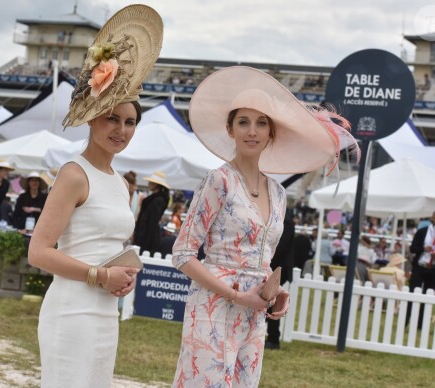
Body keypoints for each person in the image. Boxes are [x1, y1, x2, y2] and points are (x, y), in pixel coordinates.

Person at [171, 66, 359, 386]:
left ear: (271, 133)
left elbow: (262, 258)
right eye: (243, 122)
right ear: (230, 129)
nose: (252, 131)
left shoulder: (278, 193)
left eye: (261, 123)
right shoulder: (219, 181)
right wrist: (235, 295)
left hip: (255, 314)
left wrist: (276, 291)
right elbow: (183, 253)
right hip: (213, 309)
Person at [27, 5, 163, 387]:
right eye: (112, 118)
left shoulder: (120, 182)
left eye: (130, 121)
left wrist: (121, 276)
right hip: (71, 312)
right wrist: (100, 275)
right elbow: (38, 252)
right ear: (92, 118)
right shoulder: (74, 174)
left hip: (105, 312)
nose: (121, 129)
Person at [266, 213, 295, 350]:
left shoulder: (286, 221)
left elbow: (281, 247)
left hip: (278, 267)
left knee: (274, 302)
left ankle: (273, 338)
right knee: (270, 302)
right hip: (273, 266)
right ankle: (272, 337)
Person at [133, 171, 171, 255]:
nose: (148, 183)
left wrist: (142, 238)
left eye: (151, 182)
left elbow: (152, 222)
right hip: (145, 235)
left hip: (147, 238)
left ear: (156, 184)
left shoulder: (157, 200)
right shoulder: (156, 198)